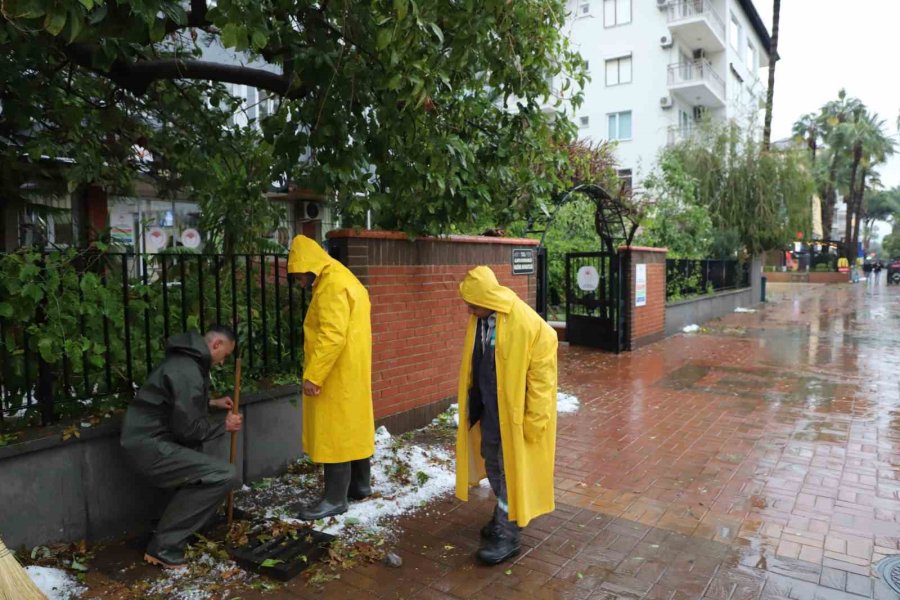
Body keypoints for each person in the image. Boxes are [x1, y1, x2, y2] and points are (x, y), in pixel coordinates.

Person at [455, 266, 558, 565]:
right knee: (494, 463)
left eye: (472, 305)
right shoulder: (483, 319)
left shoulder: (526, 323)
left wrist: (535, 421)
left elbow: (542, 378)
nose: (468, 311)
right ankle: (506, 513)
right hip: (490, 412)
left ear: (487, 299)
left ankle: (508, 533)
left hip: (515, 418)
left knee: (510, 470)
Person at [120, 326, 242, 569]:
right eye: (225, 355)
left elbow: (175, 404)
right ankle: (163, 546)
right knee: (223, 474)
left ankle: (177, 527)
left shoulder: (185, 362)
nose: (222, 362)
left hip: (148, 441)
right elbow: (187, 430)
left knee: (201, 465)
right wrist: (223, 425)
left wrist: (210, 403)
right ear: (216, 345)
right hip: (151, 447)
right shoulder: (188, 370)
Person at [287, 235, 375, 520]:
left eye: (300, 276)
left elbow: (331, 336)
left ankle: (335, 499)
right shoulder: (344, 277)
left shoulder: (330, 286)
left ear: (310, 267)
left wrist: (314, 375)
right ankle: (360, 485)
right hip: (352, 370)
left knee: (334, 433)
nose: (300, 283)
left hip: (335, 373)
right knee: (353, 427)